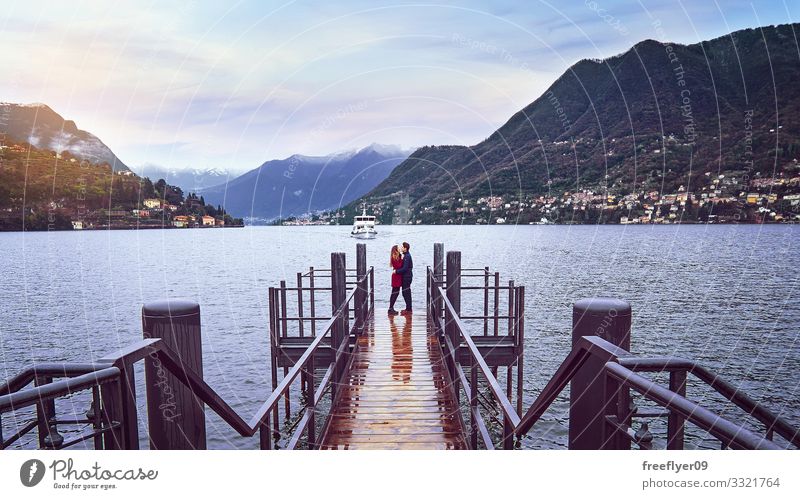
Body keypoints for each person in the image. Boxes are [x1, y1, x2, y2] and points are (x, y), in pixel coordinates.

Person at [394, 241, 413, 314]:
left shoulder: (407, 256)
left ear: (405, 248)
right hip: (406, 276)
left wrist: (396, 271)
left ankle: (408, 309)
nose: (401, 248)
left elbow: (405, 268)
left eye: (402, 247)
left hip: (407, 277)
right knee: (406, 292)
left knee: (406, 292)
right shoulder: (406, 255)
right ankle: (408, 308)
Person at [388, 244, 403, 315]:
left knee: (395, 292)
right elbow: (399, 266)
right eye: (398, 248)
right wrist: (402, 259)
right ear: (396, 250)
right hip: (396, 276)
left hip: (397, 276)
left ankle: (391, 308)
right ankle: (391, 308)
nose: (400, 248)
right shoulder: (394, 257)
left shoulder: (396, 257)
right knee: (395, 292)